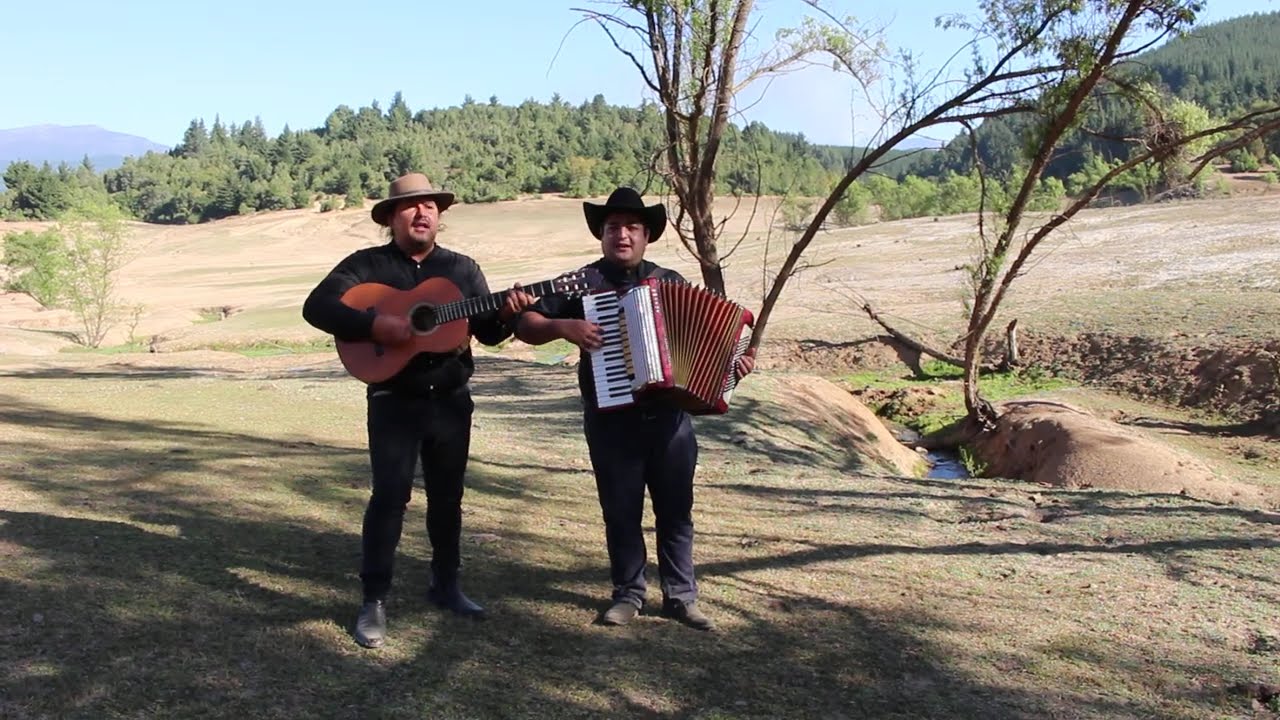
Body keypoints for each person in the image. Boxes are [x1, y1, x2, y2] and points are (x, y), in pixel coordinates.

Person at [302, 172, 534, 648]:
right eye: (410, 205)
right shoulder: (366, 265)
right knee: (389, 499)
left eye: (430, 205)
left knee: (448, 500)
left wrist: (509, 312)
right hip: (393, 403)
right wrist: (374, 326)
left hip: (450, 404)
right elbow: (317, 307)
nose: (422, 212)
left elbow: (489, 333)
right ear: (391, 217)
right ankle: (374, 599)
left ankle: (446, 586)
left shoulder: (462, 270)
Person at [514, 187, 755, 631]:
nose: (622, 235)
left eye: (632, 228)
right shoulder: (581, 283)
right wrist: (563, 326)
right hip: (611, 422)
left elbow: (708, 353)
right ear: (601, 235)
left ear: (646, 236)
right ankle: (628, 594)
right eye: (613, 228)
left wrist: (733, 368)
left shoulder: (671, 281)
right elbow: (526, 323)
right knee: (621, 512)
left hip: (670, 423)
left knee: (676, 512)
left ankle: (681, 597)